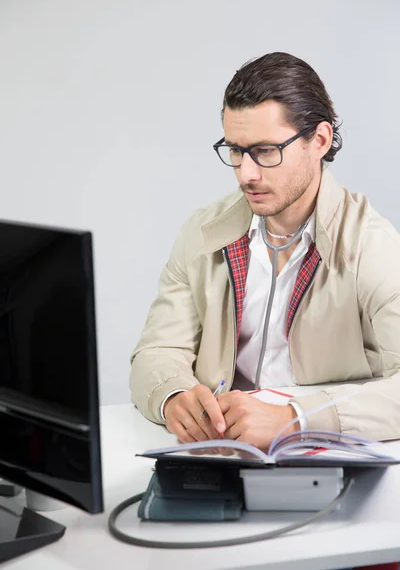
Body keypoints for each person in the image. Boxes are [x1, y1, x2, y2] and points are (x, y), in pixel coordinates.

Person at [129, 51, 400, 453]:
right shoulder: (203, 233)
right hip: (219, 452)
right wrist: (172, 396)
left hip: (324, 454)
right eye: (236, 150)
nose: (246, 173)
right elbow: (157, 351)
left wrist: (297, 419)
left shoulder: (371, 246)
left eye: (266, 151)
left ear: (319, 141)